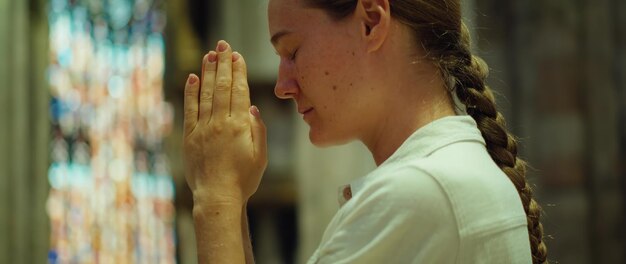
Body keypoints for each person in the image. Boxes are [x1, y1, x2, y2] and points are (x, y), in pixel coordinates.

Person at [182, 0, 548, 263]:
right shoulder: (449, 172)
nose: (283, 85)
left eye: (292, 51)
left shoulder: (419, 192)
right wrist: (232, 198)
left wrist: (215, 197)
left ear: (371, 22)